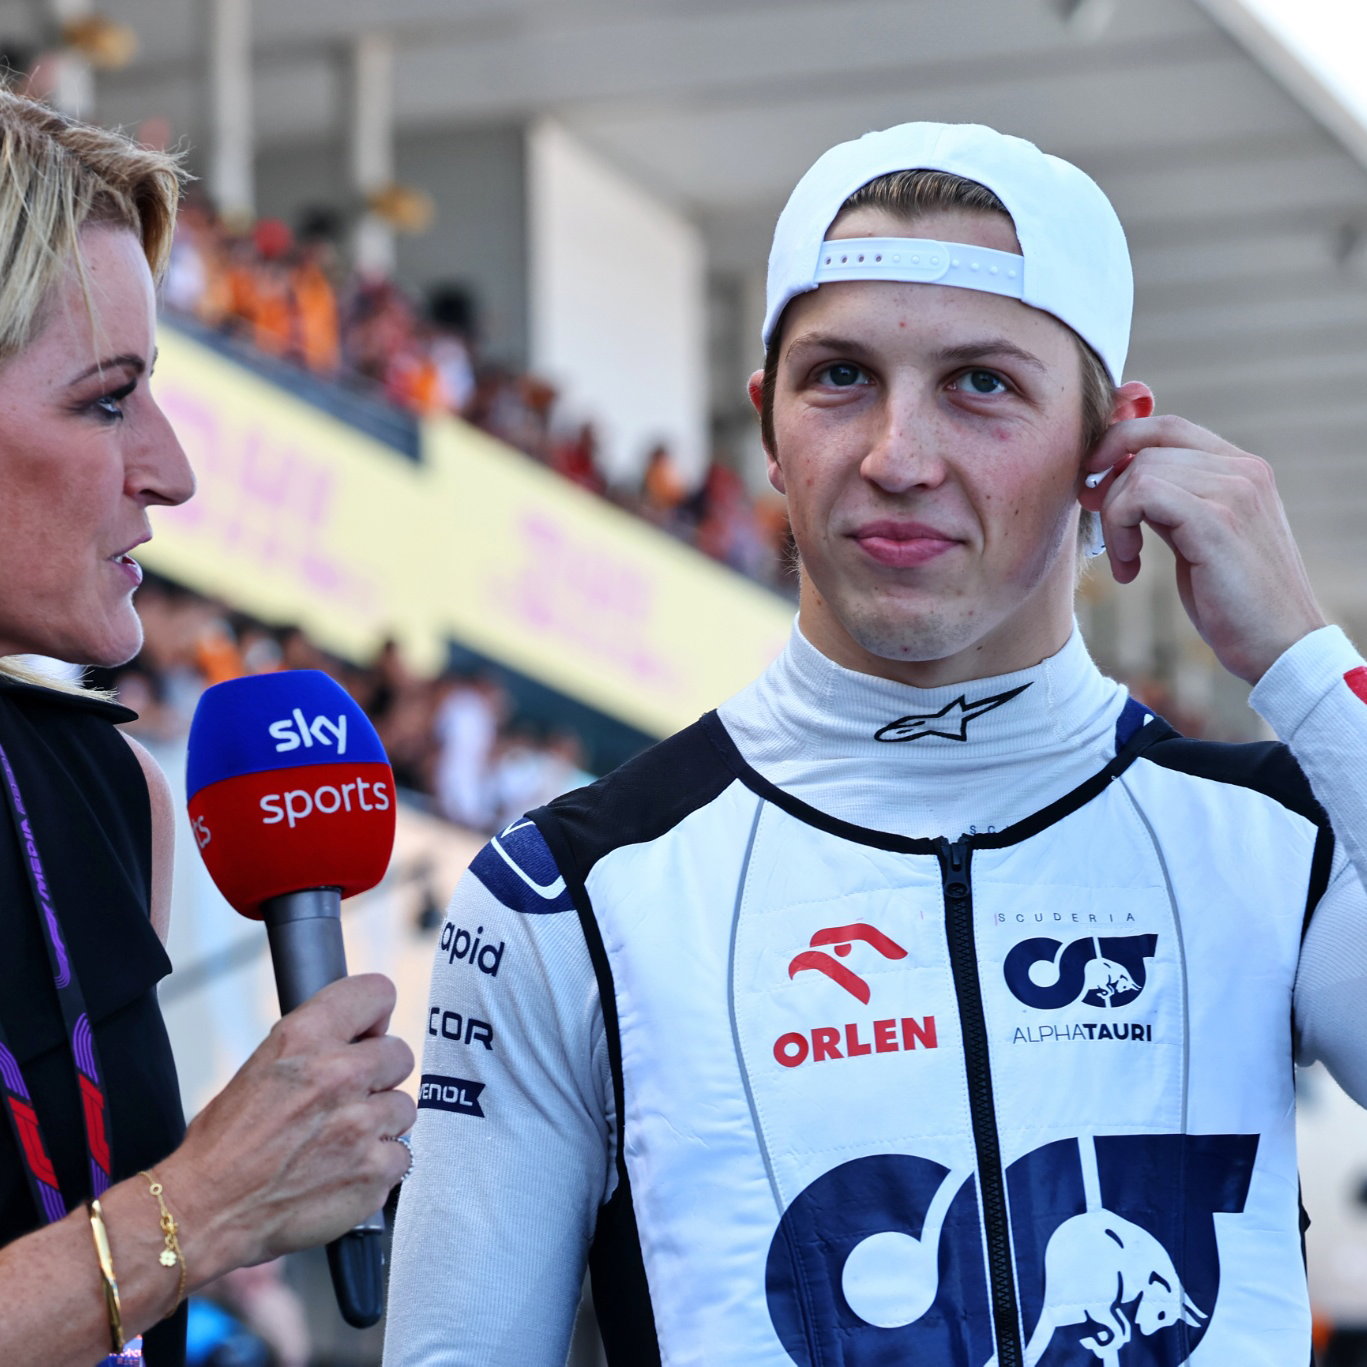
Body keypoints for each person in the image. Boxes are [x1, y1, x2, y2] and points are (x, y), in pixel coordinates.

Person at [383, 121, 1367, 1366]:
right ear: (767, 428)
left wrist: (1302, 660)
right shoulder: (568, 889)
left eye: (981, 383)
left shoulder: (1284, 831)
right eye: (839, 376)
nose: (897, 457)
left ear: (1107, 442)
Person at [0, 92, 415, 1365]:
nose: (172, 468)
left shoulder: (106, 787)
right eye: (108, 399)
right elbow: (160, 1226)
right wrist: (211, 1199)